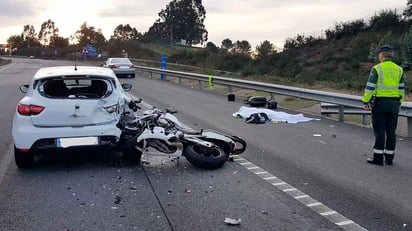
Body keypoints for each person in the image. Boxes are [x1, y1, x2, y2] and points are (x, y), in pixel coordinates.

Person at [362, 45, 405, 166]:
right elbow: (401, 88)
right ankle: (390, 158)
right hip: (394, 104)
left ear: (381, 55)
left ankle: (378, 158)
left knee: (380, 131)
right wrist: (399, 102)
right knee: (391, 131)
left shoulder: (377, 69)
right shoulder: (399, 69)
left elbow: (370, 87)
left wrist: (366, 101)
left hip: (380, 103)